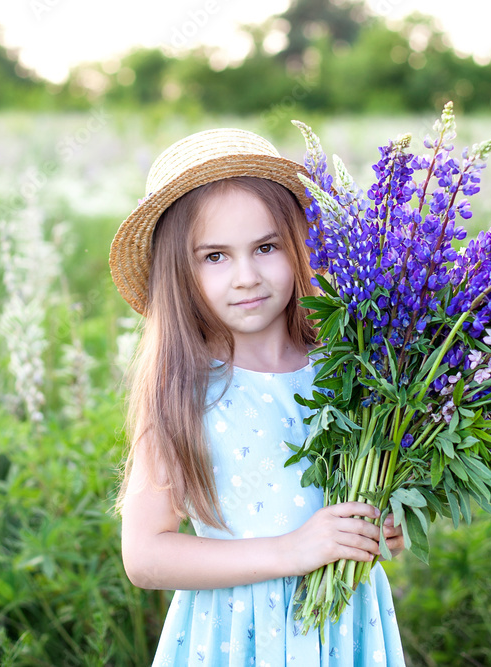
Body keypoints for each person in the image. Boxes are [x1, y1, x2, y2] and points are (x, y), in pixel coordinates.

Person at [110, 128, 408, 665]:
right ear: (180, 272)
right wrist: (290, 552)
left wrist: (373, 532)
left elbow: (356, 502)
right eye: (215, 257)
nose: (246, 276)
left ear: (299, 248)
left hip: (344, 630)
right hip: (234, 638)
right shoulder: (182, 390)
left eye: (266, 248)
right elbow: (145, 556)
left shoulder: (351, 366)